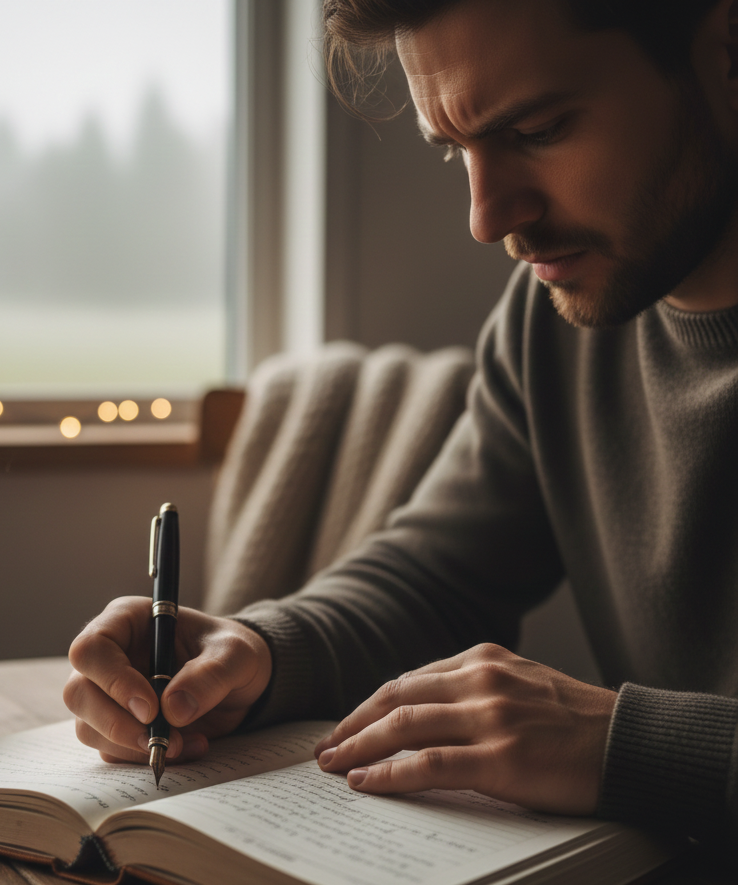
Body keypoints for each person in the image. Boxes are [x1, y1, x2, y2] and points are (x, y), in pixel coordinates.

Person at [64, 0, 738, 839]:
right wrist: (260, 651)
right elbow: (439, 578)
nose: (486, 218)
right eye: (457, 150)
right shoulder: (549, 326)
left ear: (725, 50)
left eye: (539, 130)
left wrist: (625, 745)